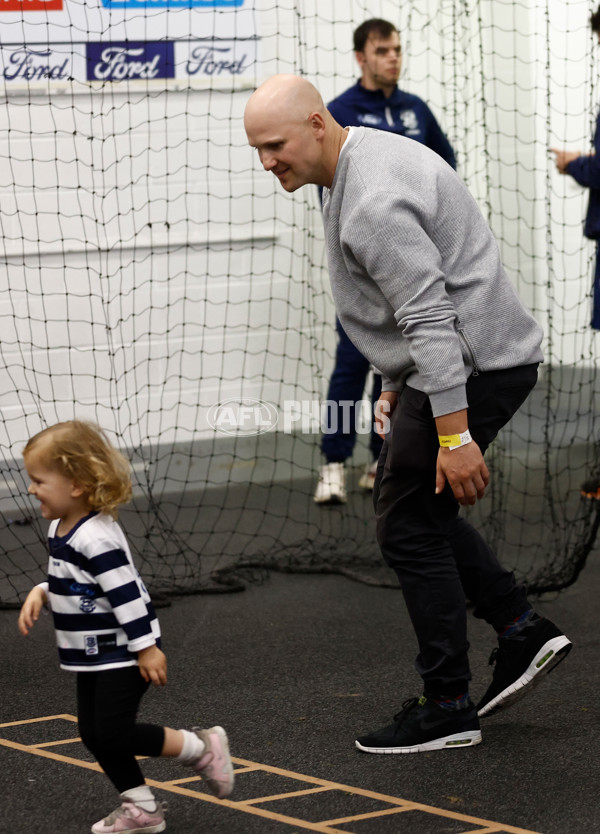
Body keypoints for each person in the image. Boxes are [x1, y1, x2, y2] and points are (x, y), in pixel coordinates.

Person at [245, 74, 572, 754]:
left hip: (471, 368)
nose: (267, 161)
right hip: (454, 365)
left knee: (407, 528)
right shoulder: (355, 162)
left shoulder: (371, 200)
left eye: (275, 145)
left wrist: (454, 433)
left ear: (315, 123)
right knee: (418, 511)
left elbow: (428, 316)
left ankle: (449, 705)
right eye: (258, 149)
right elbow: (407, 308)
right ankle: (520, 629)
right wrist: (397, 383)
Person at [18, 420, 234, 833]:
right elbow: (77, 583)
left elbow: (127, 595)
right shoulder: (59, 528)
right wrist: (42, 590)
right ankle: (142, 808)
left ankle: (200, 748)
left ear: (76, 484)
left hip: (122, 650)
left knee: (113, 732)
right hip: (92, 655)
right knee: (94, 734)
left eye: (39, 480)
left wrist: (146, 648)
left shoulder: (96, 538)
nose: (31, 489)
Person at [315, 18, 457, 505]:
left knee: (399, 367)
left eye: (397, 49)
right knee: (351, 366)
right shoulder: (338, 113)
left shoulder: (417, 110)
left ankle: (382, 458)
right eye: (382, 50)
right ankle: (332, 463)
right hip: (363, 270)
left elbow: (445, 173)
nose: (393, 57)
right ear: (361, 57)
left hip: (414, 270)